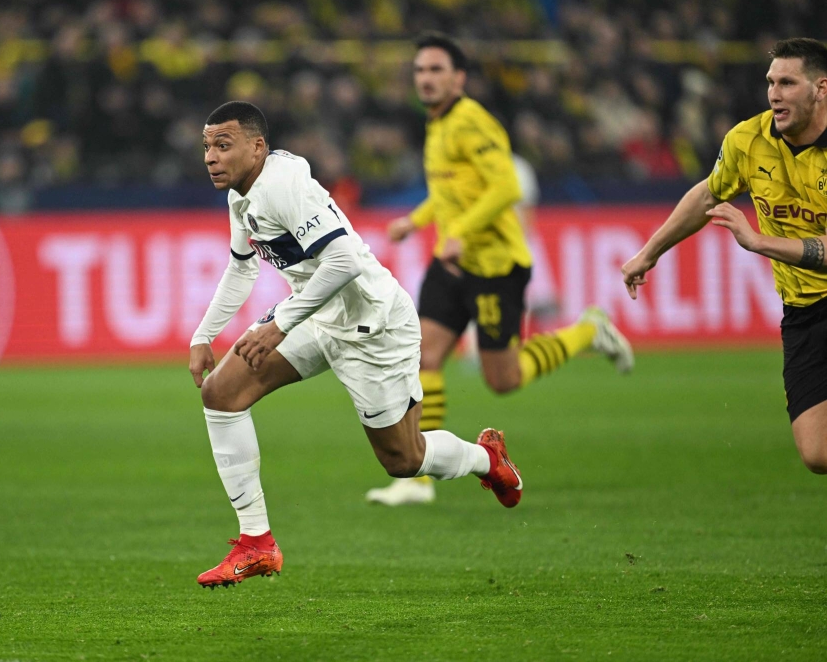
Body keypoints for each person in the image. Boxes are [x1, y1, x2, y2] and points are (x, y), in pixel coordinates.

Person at [189, 101, 526, 589]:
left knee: (403, 460)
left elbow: (344, 259)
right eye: (206, 146)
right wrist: (204, 334)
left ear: (257, 146)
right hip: (317, 314)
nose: (211, 157)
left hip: (373, 325)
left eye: (223, 145)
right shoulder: (241, 197)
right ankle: (256, 543)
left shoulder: (284, 186)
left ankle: (485, 460)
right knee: (220, 394)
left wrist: (279, 323)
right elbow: (242, 266)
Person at [366, 33, 634, 507]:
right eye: (420, 71)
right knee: (423, 355)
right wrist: (418, 220)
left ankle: (588, 332)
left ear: (459, 78)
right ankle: (418, 478)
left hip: (494, 264)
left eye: (436, 70)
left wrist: (463, 230)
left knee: (502, 379)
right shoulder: (437, 124)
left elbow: (507, 186)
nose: (426, 79)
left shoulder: (473, 121)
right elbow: (451, 191)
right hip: (453, 263)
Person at [622, 37, 827, 476]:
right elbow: (708, 195)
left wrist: (759, 243)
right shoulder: (747, 140)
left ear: (820, 88)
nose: (774, 93)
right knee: (817, 454)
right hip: (804, 310)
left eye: (788, 83)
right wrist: (649, 252)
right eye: (771, 82)